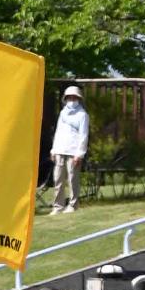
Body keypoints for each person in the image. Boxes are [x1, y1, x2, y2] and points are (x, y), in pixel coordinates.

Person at [49, 84, 90, 214]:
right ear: (65, 98)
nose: (72, 100)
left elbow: (84, 135)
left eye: (74, 97)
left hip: (73, 152)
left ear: (79, 98)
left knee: (72, 179)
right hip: (60, 150)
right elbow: (58, 132)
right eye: (69, 97)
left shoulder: (83, 115)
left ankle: (73, 205)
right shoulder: (62, 113)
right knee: (58, 180)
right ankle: (58, 206)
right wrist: (54, 150)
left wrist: (80, 154)